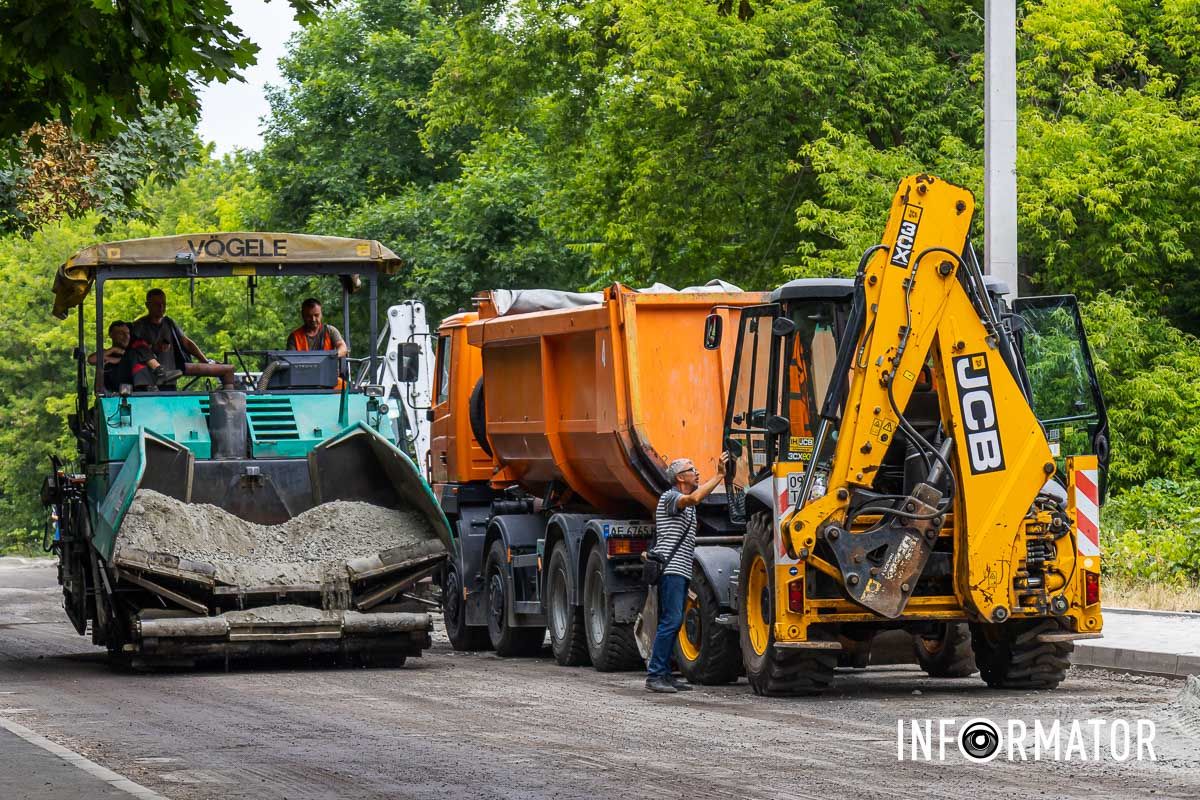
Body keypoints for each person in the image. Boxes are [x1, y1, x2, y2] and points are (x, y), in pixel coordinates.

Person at [645, 452, 730, 694]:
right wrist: (719, 476)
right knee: (670, 621)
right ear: (681, 477)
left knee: (674, 621)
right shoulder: (671, 498)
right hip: (671, 569)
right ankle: (655, 675)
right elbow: (693, 499)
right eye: (692, 469)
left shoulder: (682, 500)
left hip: (679, 570)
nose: (697, 472)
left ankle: (664, 674)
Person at [129, 288, 236, 389]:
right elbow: (137, 348)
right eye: (157, 304)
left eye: (164, 304)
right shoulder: (138, 326)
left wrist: (205, 360)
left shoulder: (169, 324)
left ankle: (163, 372)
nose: (161, 307)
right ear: (147, 305)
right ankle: (158, 369)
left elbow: (187, 343)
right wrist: (154, 348)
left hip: (169, 381)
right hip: (146, 382)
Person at [87, 320, 181, 392]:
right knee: (138, 347)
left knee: (138, 347)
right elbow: (91, 359)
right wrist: (113, 350)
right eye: (121, 333)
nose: (126, 336)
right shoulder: (106, 352)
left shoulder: (133, 353)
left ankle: (151, 382)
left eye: (127, 333)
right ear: (111, 335)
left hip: (132, 383)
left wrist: (117, 359)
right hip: (115, 385)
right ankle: (160, 372)